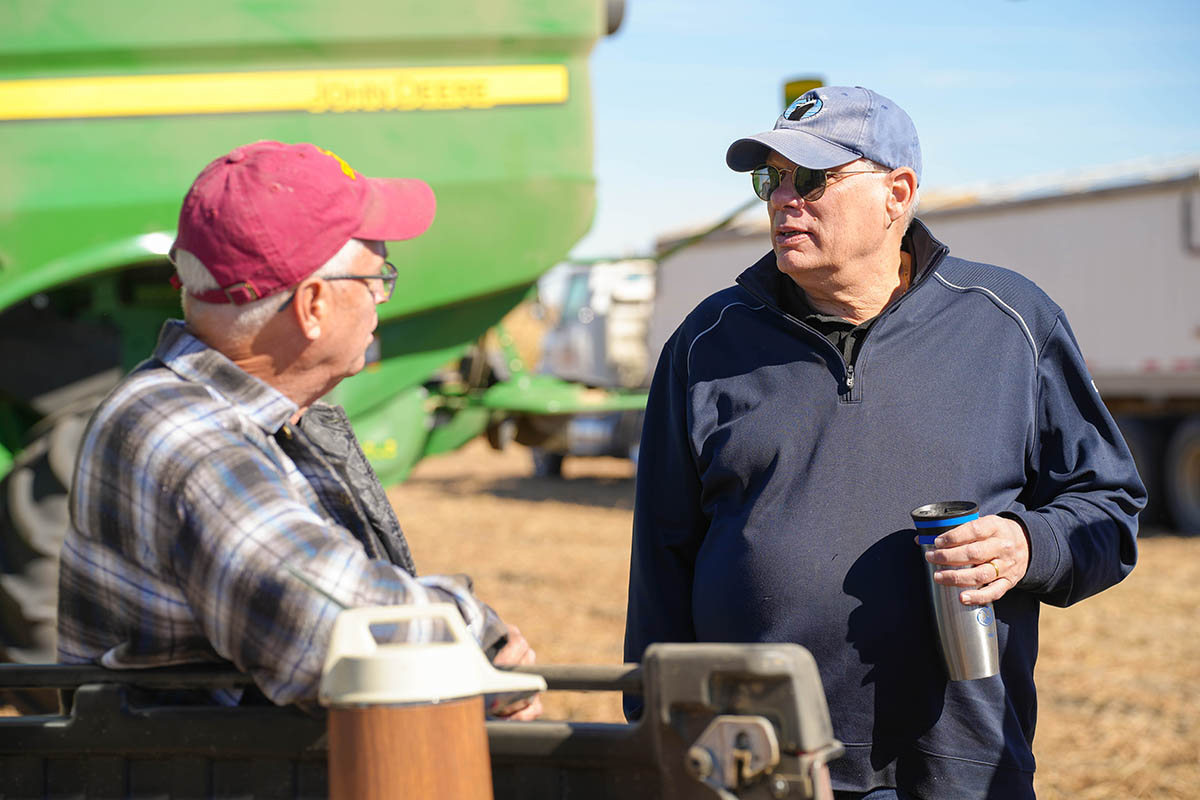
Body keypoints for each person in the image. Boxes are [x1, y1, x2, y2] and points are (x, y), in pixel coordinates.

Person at [623, 86, 1144, 799]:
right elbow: (660, 561)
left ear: (898, 192)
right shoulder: (706, 343)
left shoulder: (1013, 323)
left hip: (958, 765)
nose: (783, 199)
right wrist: (655, 742)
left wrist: (1029, 546)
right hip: (757, 765)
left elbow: (1109, 510)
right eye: (769, 179)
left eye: (811, 179)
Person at [57, 140, 540, 718]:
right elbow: (336, 624)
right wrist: (481, 640)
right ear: (312, 305)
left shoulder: (213, 409)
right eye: (376, 277)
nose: (381, 301)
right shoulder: (186, 434)